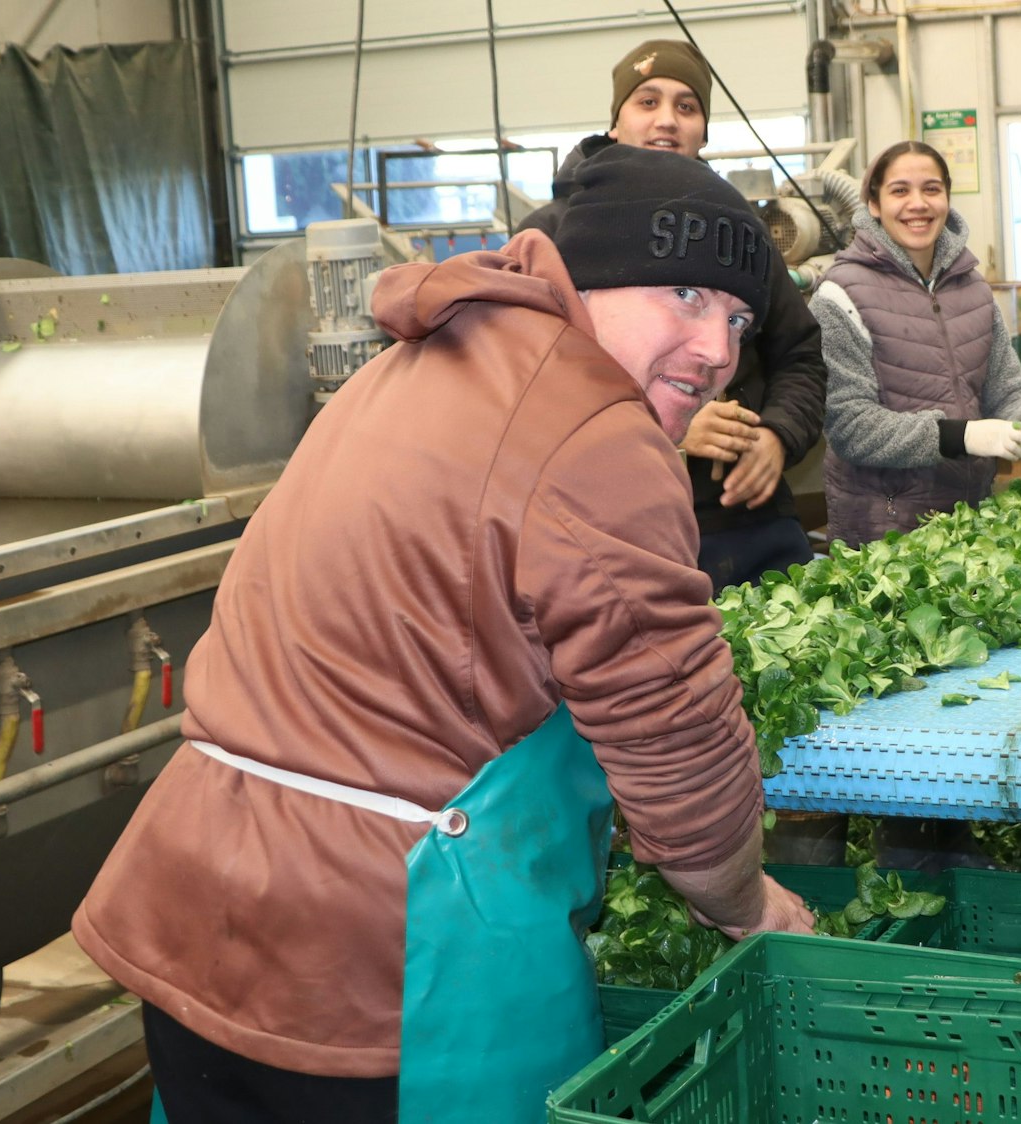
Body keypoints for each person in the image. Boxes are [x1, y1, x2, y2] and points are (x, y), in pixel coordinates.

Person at [73, 145, 815, 1124]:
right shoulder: (593, 426)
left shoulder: (417, 362)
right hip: (372, 964)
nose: (718, 349)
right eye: (683, 293)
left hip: (194, 918)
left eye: (737, 317)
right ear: (585, 277)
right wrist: (745, 899)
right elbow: (674, 728)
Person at [804, 141, 1021, 870]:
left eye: (931, 187)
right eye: (900, 190)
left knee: (958, 702)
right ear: (874, 200)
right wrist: (964, 435)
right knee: (897, 719)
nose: (917, 203)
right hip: (883, 538)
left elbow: (1005, 384)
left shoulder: (969, 288)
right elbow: (851, 427)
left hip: (961, 532)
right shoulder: (840, 295)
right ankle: (894, 871)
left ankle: (949, 850)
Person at [517, 39, 825, 591]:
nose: (667, 120)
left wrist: (777, 437)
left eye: (687, 107)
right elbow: (528, 389)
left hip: (749, 517)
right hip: (616, 527)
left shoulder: (740, 232)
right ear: (615, 122)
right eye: (647, 102)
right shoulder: (555, 235)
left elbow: (801, 355)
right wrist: (670, 429)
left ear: (704, 131)